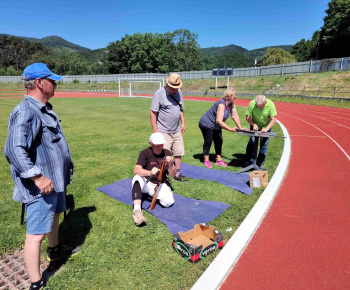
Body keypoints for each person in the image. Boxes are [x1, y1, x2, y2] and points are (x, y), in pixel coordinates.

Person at [4, 63, 78, 290]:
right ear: (39, 83)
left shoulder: (43, 108)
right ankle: (36, 282)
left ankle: (54, 249)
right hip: (40, 186)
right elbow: (14, 149)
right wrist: (37, 178)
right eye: (51, 80)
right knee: (35, 235)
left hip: (54, 181)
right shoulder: (27, 111)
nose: (55, 84)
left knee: (56, 215)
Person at [131, 133, 176, 225]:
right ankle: (137, 211)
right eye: (157, 144)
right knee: (137, 178)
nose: (160, 146)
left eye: (161, 144)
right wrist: (149, 172)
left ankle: (149, 195)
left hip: (159, 184)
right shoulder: (145, 153)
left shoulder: (167, 152)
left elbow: (173, 174)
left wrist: (171, 164)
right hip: (146, 182)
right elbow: (136, 170)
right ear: (150, 143)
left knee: (168, 202)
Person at [150, 73, 187, 182]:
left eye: (176, 88)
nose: (174, 90)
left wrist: (183, 123)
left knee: (178, 152)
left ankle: (177, 174)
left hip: (176, 129)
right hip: (163, 130)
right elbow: (153, 113)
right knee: (164, 154)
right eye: (172, 88)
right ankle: (163, 175)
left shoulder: (178, 92)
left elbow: (181, 109)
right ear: (167, 84)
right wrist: (156, 132)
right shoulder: (159, 93)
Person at [198, 88, 245, 168]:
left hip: (215, 125)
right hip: (206, 123)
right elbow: (219, 121)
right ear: (229, 96)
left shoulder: (231, 104)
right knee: (208, 140)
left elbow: (235, 116)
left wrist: (240, 128)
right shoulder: (221, 104)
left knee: (219, 140)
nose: (236, 97)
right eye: (234, 95)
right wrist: (230, 129)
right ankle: (206, 160)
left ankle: (219, 160)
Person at [243, 95, 277, 168]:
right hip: (254, 126)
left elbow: (273, 119)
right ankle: (247, 160)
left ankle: (260, 162)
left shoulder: (270, 104)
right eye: (258, 106)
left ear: (265, 102)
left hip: (266, 127)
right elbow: (248, 117)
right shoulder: (252, 103)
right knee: (251, 142)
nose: (259, 108)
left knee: (264, 144)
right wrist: (253, 124)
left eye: (261, 106)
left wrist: (267, 128)